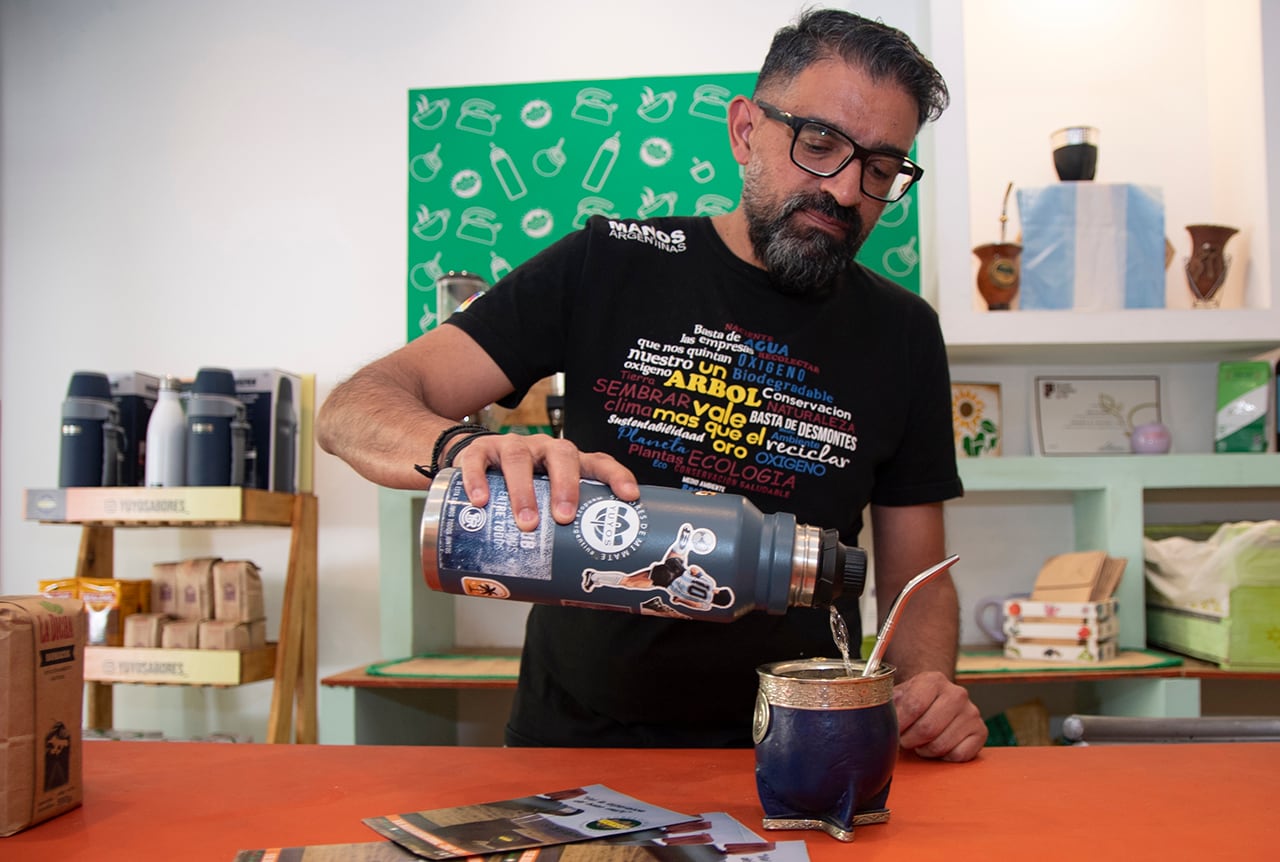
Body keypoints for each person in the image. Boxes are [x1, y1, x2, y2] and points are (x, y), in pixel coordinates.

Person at [318, 8, 987, 761]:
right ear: (744, 131)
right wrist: (459, 449)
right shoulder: (611, 263)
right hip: (577, 747)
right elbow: (353, 409)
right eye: (820, 143)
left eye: (881, 168)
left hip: (799, 754)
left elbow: (918, 582)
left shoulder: (902, 332)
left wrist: (926, 689)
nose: (844, 190)